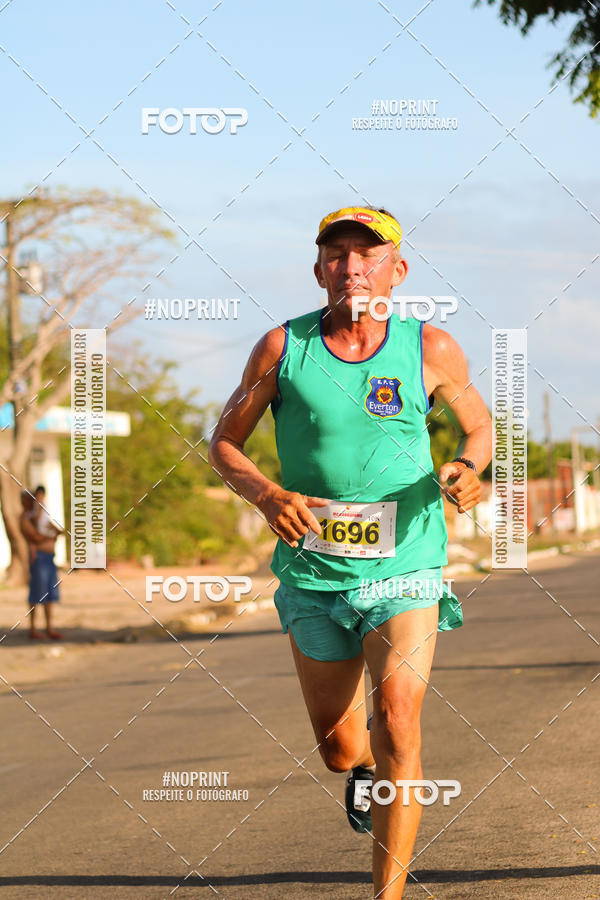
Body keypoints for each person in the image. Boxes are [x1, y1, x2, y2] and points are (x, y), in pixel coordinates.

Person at [209, 205, 492, 898]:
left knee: (398, 719)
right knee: (339, 748)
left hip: (405, 563)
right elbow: (224, 442)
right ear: (319, 271)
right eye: (337, 254)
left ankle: (387, 893)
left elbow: (479, 427)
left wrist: (468, 467)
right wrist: (266, 495)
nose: (352, 267)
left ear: (398, 271)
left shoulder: (431, 348)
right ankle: (360, 771)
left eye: (368, 255)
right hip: (313, 568)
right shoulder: (282, 348)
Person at [19, 488, 63, 641]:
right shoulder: (25, 519)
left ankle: (49, 628)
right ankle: (33, 628)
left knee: (49, 595)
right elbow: (35, 537)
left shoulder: (39, 516)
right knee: (37, 594)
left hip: (49, 559)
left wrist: (54, 532)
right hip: (38, 560)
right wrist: (50, 537)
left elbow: (56, 530)